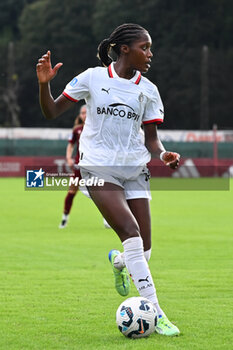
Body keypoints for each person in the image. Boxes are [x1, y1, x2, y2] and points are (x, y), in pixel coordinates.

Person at [36, 23, 181, 336]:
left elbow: (152, 140)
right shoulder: (93, 77)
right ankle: (156, 312)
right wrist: (44, 85)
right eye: (145, 48)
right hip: (98, 168)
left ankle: (120, 262)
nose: (150, 54)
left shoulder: (149, 90)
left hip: (134, 170)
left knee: (144, 250)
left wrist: (163, 154)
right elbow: (51, 112)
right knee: (130, 231)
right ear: (125, 49)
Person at [59, 105, 86, 228]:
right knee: (71, 192)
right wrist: (69, 158)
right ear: (80, 115)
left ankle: (107, 221)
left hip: (95, 166)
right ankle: (65, 218)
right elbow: (70, 145)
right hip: (79, 166)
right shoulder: (77, 130)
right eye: (82, 113)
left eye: (86, 113)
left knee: (104, 193)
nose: (84, 115)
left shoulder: (97, 128)